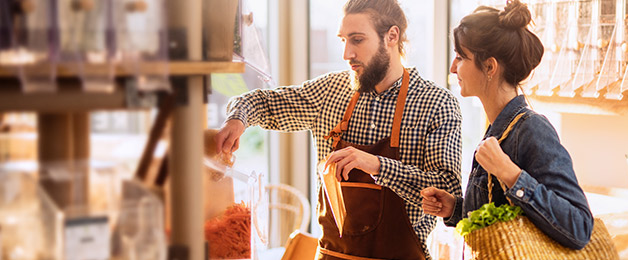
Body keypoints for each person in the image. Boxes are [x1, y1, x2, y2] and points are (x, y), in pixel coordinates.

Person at [215, 0, 463, 259]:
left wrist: (377, 166)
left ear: (392, 36)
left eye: (357, 40)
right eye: (343, 40)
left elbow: (447, 190)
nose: (347, 54)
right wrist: (238, 119)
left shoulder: (436, 103)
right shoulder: (329, 92)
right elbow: (260, 102)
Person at [420, 0, 594, 250]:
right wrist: (455, 208)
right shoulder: (496, 130)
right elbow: (506, 221)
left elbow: (579, 228)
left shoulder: (531, 129)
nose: (452, 67)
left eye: (460, 57)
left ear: (489, 66)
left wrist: (511, 174)